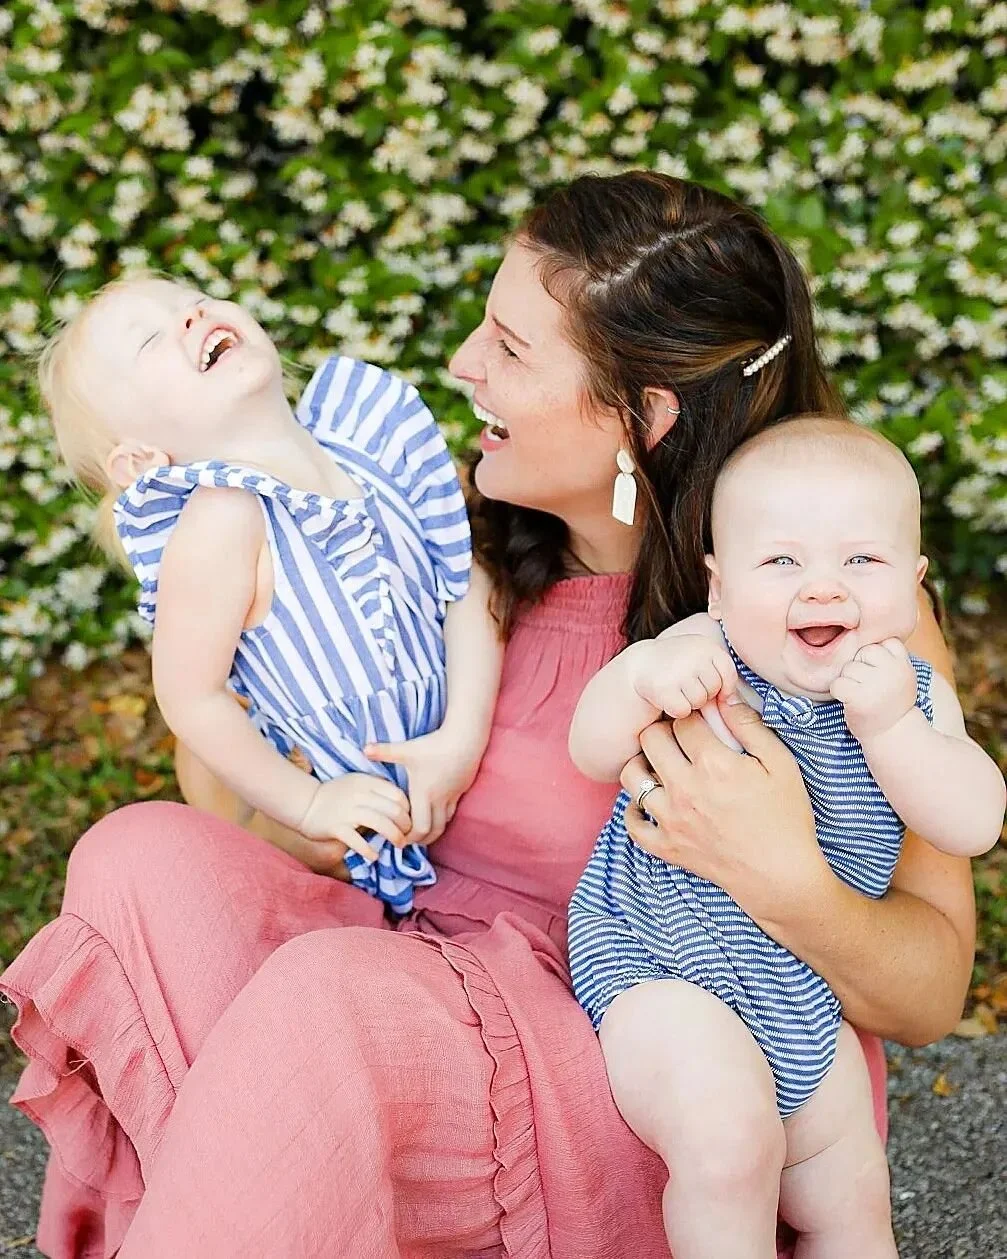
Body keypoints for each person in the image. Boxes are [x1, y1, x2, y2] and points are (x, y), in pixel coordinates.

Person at [0, 173, 974, 1259]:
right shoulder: (450, 529)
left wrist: (779, 871)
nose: (462, 364)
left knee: (331, 1004)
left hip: (647, 1050)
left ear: (638, 416)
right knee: (141, 855)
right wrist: (290, 742)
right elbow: (246, 797)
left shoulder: (825, 614)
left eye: (508, 347)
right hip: (419, 958)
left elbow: (930, 991)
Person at [568, 416, 1005, 1259]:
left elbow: (973, 820)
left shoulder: (907, 696)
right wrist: (641, 677)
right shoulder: (706, 651)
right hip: (661, 964)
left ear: (911, 586)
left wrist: (892, 733)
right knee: (729, 1145)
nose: (821, 589)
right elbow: (591, 749)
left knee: (851, 1194)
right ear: (720, 586)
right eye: (781, 561)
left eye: (861, 560)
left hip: (801, 988)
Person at [37, 274, 502, 913]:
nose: (192, 316)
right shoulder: (224, 520)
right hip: (350, 833)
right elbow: (191, 695)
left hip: (454, 760)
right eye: (150, 339)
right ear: (143, 461)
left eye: (193, 300)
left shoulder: (368, 448)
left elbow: (463, 584)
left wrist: (461, 736)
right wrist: (307, 804)